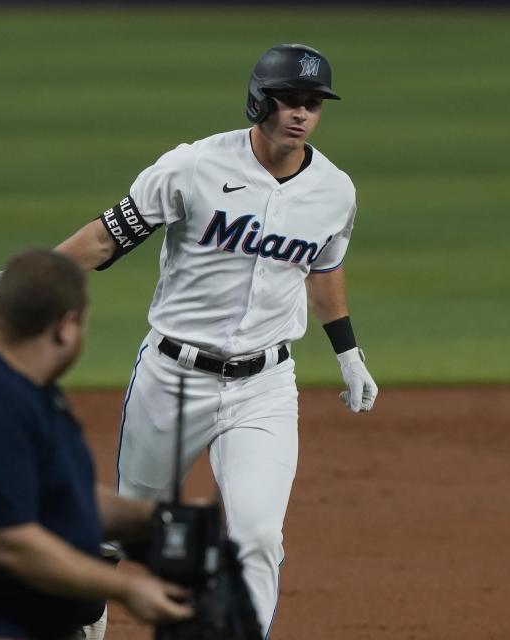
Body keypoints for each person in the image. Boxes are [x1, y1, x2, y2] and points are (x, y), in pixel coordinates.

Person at [48, 43, 379, 636]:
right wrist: (27, 281)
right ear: (260, 101)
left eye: (313, 103)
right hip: (171, 380)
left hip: (266, 387)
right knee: (123, 530)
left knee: (256, 537)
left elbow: (324, 269)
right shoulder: (193, 167)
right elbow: (108, 236)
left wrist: (348, 352)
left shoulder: (335, 191)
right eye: (289, 100)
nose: (301, 113)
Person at [0, 249, 193, 640]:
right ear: (65, 326)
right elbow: (12, 543)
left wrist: (154, 521)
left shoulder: (22, 386)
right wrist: (127, 588)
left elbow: (61, 495)